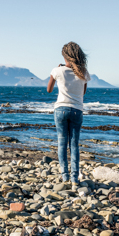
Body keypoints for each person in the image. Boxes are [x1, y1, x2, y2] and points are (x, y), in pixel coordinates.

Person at [47, 42, 90, 185]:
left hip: (61, 109)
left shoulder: (57, 71)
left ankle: (64, 176)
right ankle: (74, 178)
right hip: (77, 109)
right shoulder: (83, 72)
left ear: (65, 57)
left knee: (62, 143)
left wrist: (58, 72)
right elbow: (82, 93)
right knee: (74, 144)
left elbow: (49, 89)